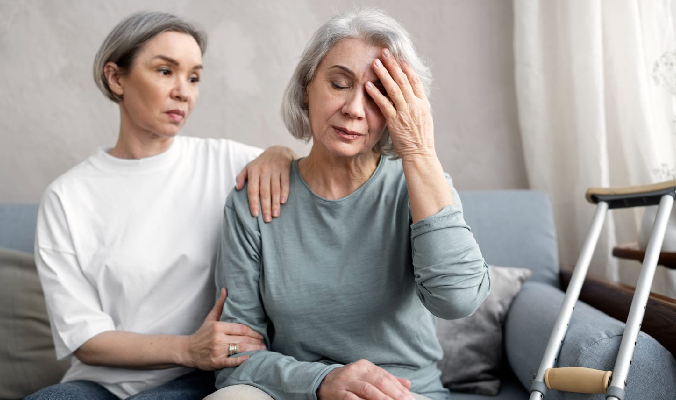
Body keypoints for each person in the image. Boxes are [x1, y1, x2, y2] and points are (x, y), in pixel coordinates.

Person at [210, 8, 491, 400]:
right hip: (292, 390)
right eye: (339, 84)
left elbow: (458, 299)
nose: (355, 109)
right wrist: (321, 382)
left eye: (379, 95)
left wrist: (419, 150)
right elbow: (234, 349)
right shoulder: (255, 196)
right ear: (307, 87)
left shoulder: (420, 185)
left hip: (398, 392)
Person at [27, 11, 297, 400]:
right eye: (165, 71)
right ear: (116, 78)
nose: (184, 92)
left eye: (194, 77)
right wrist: (188, 347)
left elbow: (301, 172)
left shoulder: (226, 164)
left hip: (195, 380)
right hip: (97, 381)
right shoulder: (66, 197)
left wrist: (279, 152)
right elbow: (85, 338)